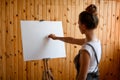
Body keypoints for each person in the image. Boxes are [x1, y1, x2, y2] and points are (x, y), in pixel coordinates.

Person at [48, 4, 101, 80]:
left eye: (78, 24)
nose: (78, 26)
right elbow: (72, 40)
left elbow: (82, 78)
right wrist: (56, 37)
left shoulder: (86, 49)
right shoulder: (96, 42)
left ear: (83, 26)